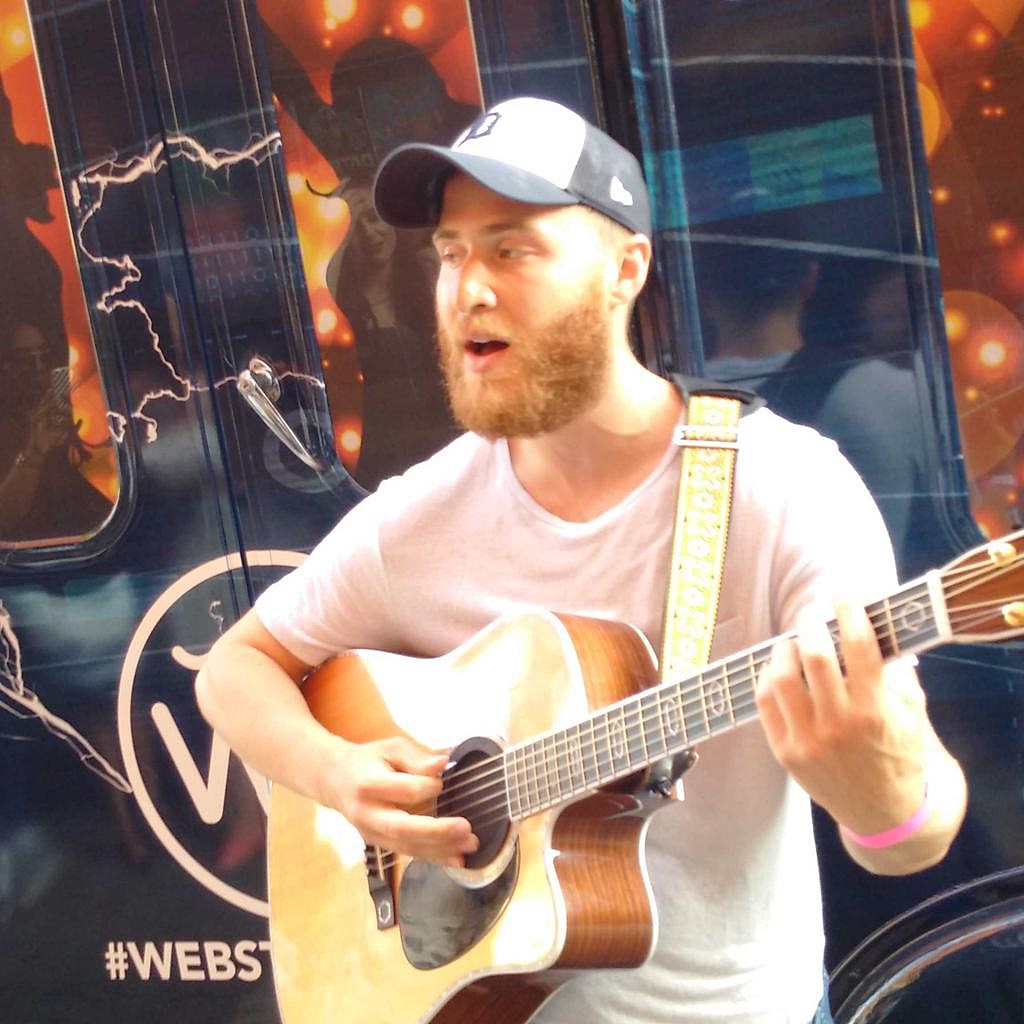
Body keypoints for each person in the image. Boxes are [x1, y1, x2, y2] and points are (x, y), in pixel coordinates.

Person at [196, 97, 967, 1023]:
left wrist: (877, 793)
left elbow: (914, 835)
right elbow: (234, 671)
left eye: (513, 248)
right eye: (450, 253)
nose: (468, 288)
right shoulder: (421, 516)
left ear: (624, 268)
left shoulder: (783, 488)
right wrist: (336, 775)